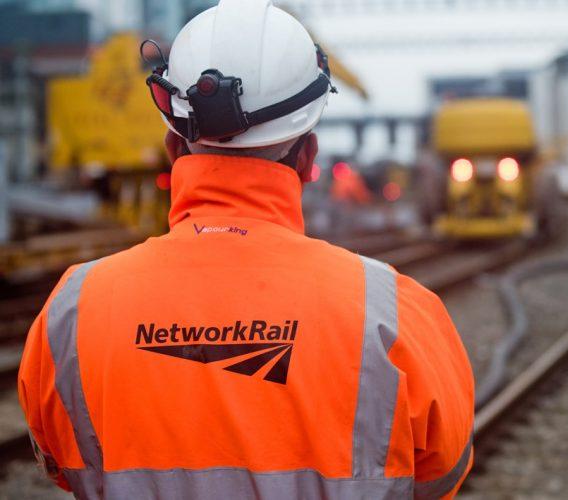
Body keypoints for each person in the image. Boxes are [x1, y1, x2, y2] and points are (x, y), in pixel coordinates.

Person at [17, 1, 474, 499]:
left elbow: (62, 464)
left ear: (174, 149)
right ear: (307, 156)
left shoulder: (71, 312)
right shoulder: (396, 313)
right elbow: (441, 473)